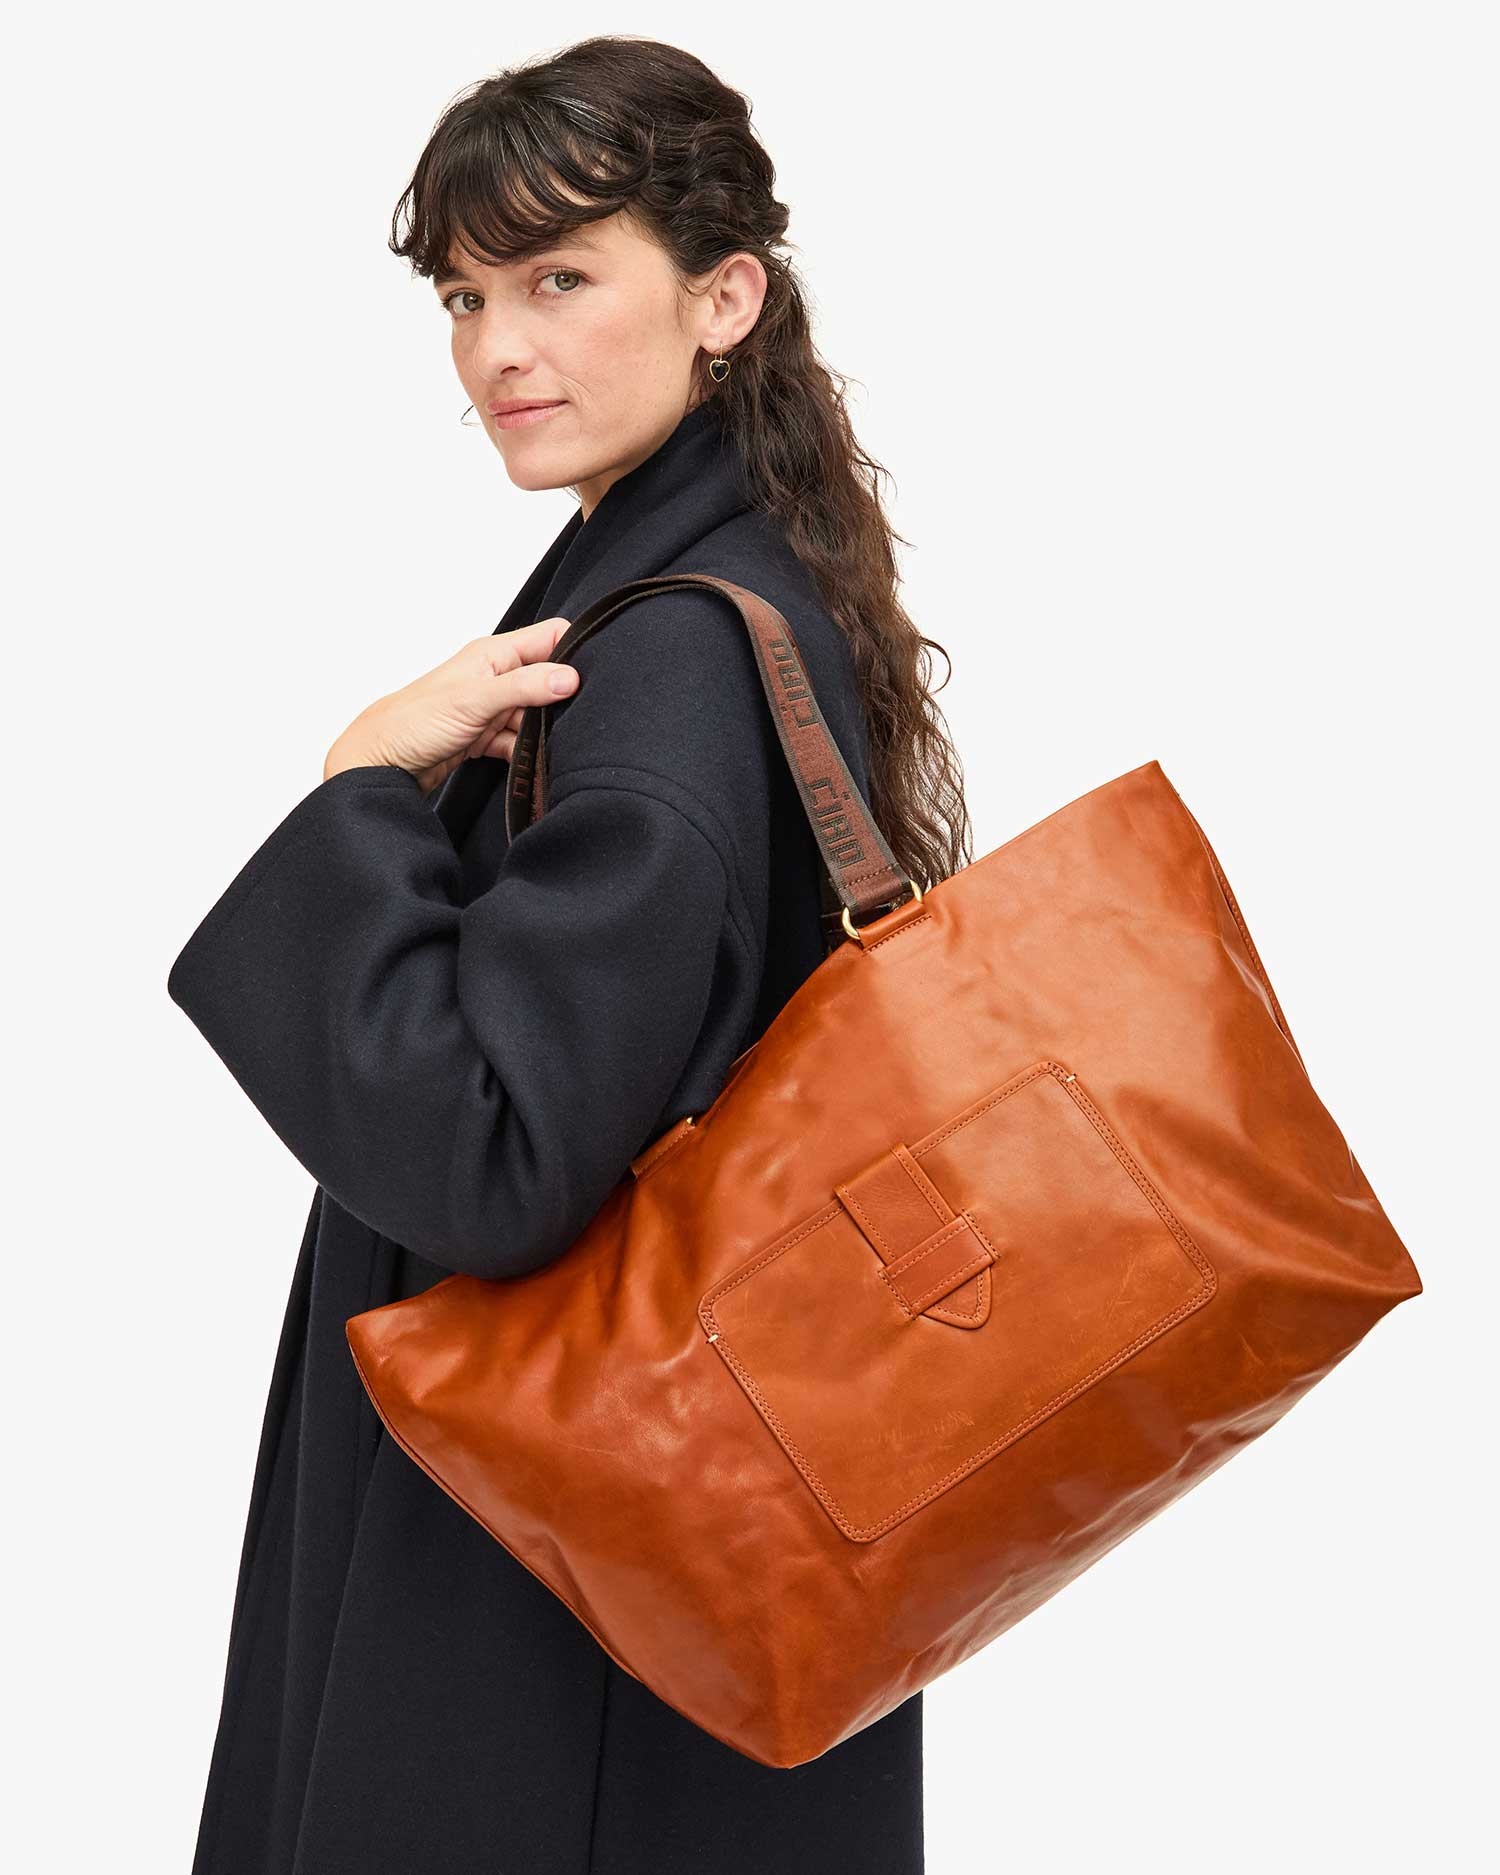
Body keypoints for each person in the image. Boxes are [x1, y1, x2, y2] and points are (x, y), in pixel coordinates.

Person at [168, 34, 971, 1875]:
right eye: (465, 297)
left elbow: (495, 1158)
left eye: (558, 279)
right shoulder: (714, 578)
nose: (494, 353)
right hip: (659, 1542)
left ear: (723, 299)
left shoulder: (668, 653)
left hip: (552, 1601)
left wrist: (363, 791)